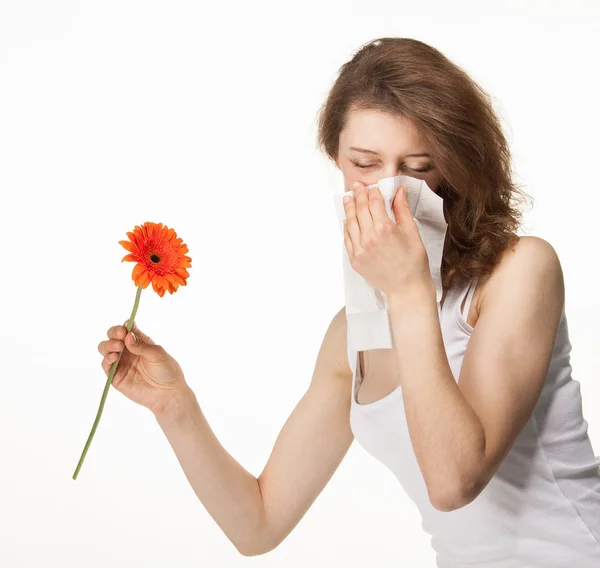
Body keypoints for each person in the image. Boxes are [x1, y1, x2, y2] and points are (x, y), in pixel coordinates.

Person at [97, 37, 600, 566]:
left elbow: (454, 482)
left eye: (419, 166)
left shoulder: (520, 271)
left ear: (454, 167)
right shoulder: (351, 333)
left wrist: (408, 289)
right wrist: (175, 407)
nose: (390, 191)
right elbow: (259, 524)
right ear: (336, 159)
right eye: (365, 164)